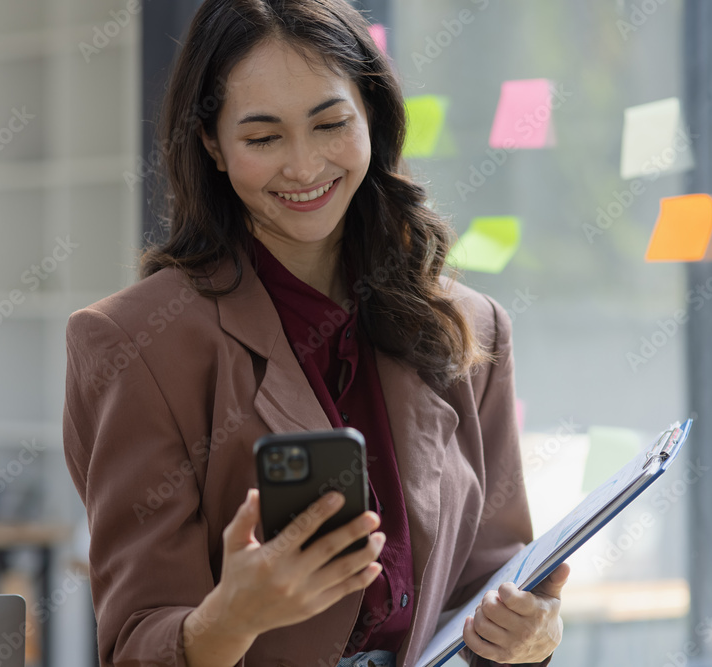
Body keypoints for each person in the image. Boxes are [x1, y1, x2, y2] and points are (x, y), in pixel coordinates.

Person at [62, 1, 569, 665]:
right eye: (263, 137)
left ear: (372, 116)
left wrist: (534, 635)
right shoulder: (135, 342)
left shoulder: (471, 327)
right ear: (211, 143)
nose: (303, 167)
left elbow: (493, 582)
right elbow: (135, 645)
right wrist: (227, 619)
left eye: (330, 123)